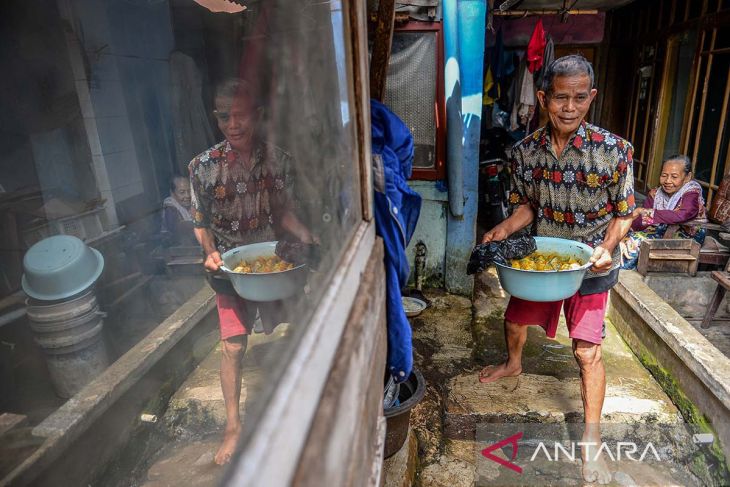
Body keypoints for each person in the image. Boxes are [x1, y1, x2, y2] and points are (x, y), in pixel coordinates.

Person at [478, 55, 636, 484]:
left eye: (580, 98)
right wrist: (502, 229)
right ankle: (513, 363)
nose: (570, 107)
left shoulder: (616, 151)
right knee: (514, 320)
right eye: (560, 97)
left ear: (592, 97)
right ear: (543, 98)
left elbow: (625, 213)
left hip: (593, 265)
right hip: (543, 261)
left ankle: (591, 440)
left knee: (587, 351)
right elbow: (528, 207)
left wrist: (605, 247)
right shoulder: (523, 153)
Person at [189, 78, 315, 465]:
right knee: (231, 347)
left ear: (257, 116)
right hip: (233, 270)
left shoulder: (280, 160)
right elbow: (200, 221)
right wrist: (210, 252)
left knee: (301, 332)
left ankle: (300, 413)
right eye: (224, 116)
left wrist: (309, 237)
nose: (232, 123)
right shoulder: (202, 167)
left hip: (275, 264)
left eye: (240, 115)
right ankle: (233, 426)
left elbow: (286, 213)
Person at [620, 154, 707, 269]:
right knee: (625, 240)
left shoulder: (691, 192)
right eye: (664, 175)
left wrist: (645, 213)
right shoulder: (655, 193)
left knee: (635, 243)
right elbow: (642, 221)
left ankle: (622, 276)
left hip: (687, 233)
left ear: (687, 177)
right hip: (660, 229)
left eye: (674, 177)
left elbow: (683, 215)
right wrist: (625, 233)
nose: (667, 181)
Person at [161, 175, 197, 246]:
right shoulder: (170, 208)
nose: (187, 196)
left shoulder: (191, 203)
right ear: (172, 193)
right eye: (182, 192)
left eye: (189, 191)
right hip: (178, 251)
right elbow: (180, 229)